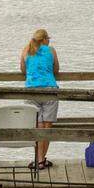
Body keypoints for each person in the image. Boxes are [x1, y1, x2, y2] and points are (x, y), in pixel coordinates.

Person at [20, 28, 60, 170]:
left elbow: (23, 70)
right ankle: (42, 159)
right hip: (49, 89)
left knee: (37, 126)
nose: (49, 41)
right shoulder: (51, 50)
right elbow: (56, 69)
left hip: (31, 90)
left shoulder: (26, 49)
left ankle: (37, 159)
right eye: (48, 38)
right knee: (47, 127)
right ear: (44, 40)